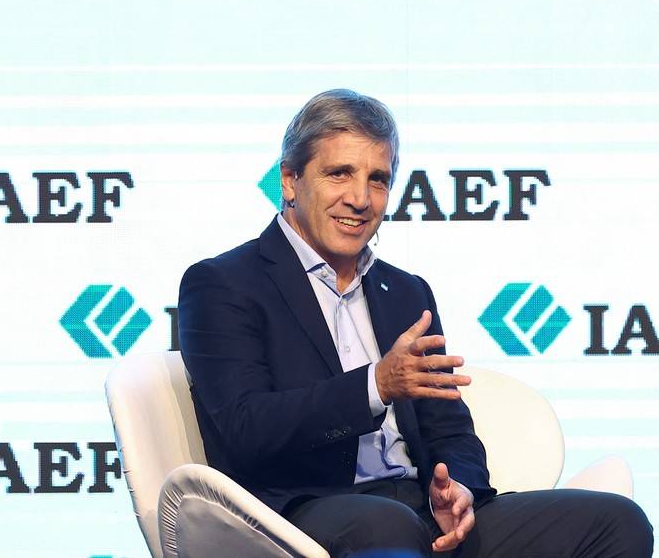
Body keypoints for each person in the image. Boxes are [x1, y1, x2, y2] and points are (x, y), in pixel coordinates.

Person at [177, 89, 653, 557]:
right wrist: (376, 385)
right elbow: (247, 427)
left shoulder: (406, 291)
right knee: (388, 527)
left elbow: (450, 432)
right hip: (305, 513)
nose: (360, 198)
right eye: (340, 173)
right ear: (289, 180)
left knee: (616, 523)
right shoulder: (223, 283)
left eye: (378, 179)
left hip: (421, 512)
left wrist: (459, 488)